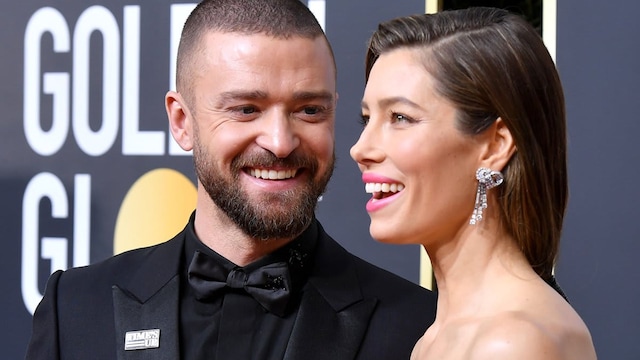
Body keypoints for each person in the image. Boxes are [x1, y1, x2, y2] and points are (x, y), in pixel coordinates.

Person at [25, 0, 436, 359]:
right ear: (182, 121)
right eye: (246, 109)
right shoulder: (77, 307)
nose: (280, 142)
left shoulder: (418, 328)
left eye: (309, 110)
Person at [350, 7, 597, 360]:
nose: (361, 149)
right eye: (366, 119)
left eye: (400, 118)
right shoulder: (437, 337)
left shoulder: (511, 342)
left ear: (496, 145)